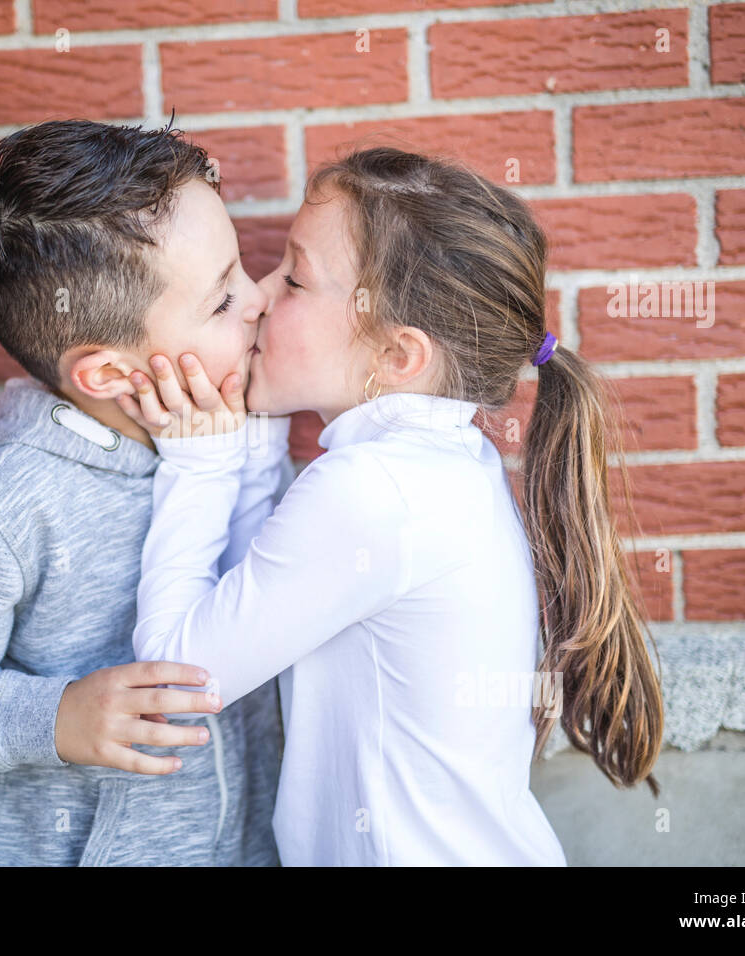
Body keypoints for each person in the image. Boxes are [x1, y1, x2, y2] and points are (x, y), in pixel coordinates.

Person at [116, 147, 665, 866]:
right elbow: (258, 603)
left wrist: (198, 457)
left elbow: (172, 677)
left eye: (295, 277)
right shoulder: (441, 464)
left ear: (399, 358)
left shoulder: (374, 492)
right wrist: (250, 435)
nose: (259, 294)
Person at [0, 117, 291, 866]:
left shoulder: (225, 435)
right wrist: (55, 718)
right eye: (220, 301)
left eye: (240, 270)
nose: (259, 300)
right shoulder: (7, 501)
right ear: (108, 375)